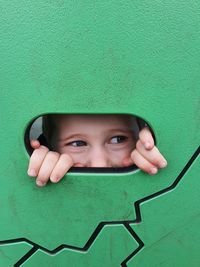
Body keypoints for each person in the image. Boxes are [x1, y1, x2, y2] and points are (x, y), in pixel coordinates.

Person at [28, 114, 167, 187]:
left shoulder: (145, 149)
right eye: (77, 143)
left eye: (118, 139)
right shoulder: (49, 157)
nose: (99, 164)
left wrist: (152, 150)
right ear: (51, 143)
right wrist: (43, 164)